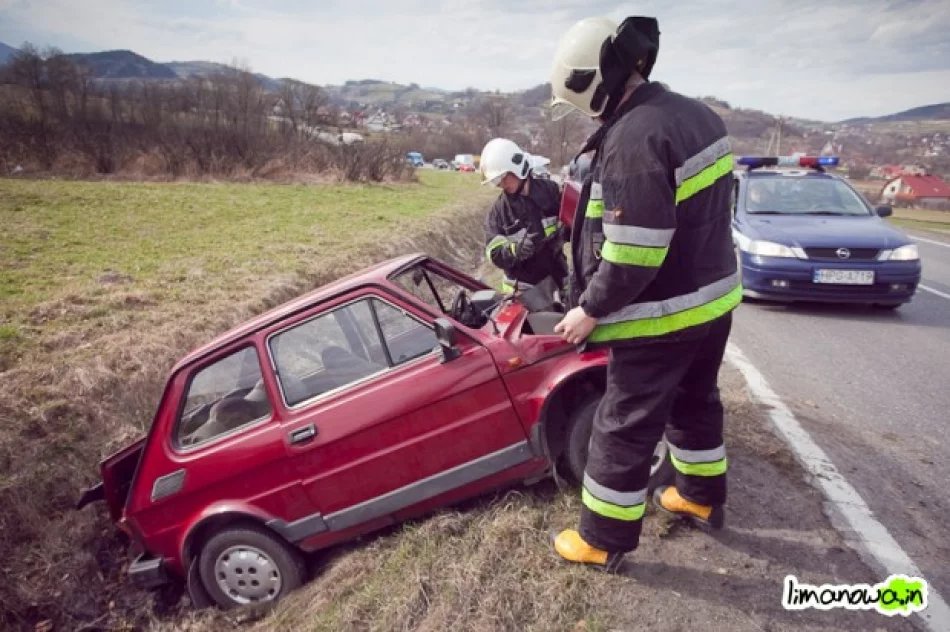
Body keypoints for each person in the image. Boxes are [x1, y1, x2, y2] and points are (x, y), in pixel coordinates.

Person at [547, 15, 741, 570]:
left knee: (623, 422)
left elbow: (634, 252)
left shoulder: (633, 138)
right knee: (695, 399)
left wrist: (590, 308)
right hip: (711, 300)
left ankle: (602, 538)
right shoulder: (697, 114)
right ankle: (700, 499)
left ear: (595, 81)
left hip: (660, 313)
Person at [481, 138, 568, 296]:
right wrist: (512, 250)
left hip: (557, 276)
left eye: (504, 177)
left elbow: (573, 224)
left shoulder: (551, 192)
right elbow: (492, 252)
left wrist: (564, 233)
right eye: (497, 181)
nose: (501, 184)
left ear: (517, 168)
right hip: (522, 288)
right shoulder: (499, 211)